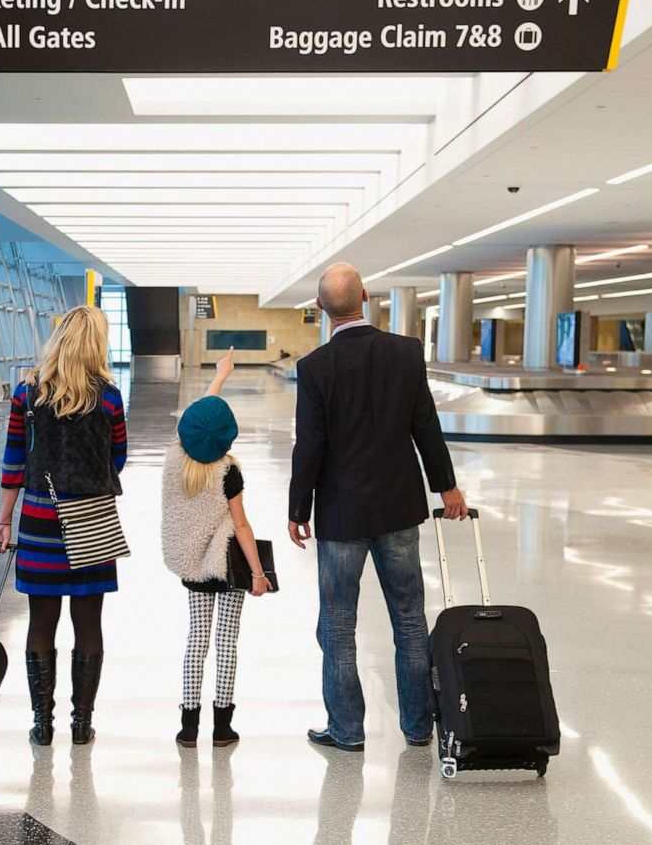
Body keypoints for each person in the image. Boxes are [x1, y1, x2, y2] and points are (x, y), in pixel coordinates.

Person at [287, 262, 468, 752]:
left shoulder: (315, 367)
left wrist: (298, 508)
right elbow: (426, 427)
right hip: (399, 508)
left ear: (320, 308)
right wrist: (446, 487)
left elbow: (311, 445)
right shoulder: (406, 353)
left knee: (338, 623)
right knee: (409, 618)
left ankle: (346, 730)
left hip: (342, 516)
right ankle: (417, 727)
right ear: (365, 296)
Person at [0, 304, 127, 747]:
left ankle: (42, 724)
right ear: (96, 343)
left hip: (40, 521)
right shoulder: (108, 396)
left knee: (40, 622)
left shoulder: (27, 394)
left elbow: (14, 460)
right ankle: (82, 723)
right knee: (89, 623)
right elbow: (117, 458)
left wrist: (3, 520)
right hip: (93, 520)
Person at [160, 348, 270, 749]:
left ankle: (188, 728)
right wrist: (258, 574)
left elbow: (196, 421)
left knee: (196, 641)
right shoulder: (229, 471)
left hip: (194, 566)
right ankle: (222, 728)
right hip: (227, 566)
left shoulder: (175, 458)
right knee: (227, 642)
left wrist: (219, 377)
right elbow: (240, 525)